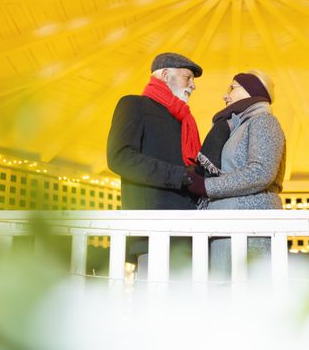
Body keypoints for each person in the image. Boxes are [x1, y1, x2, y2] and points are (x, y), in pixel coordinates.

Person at [107, 52, 204, 272]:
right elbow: (119, 157)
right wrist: (180, 176)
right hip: (152, 231)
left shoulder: (184, 120)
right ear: (165, 74)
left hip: (188, 231)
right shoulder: (134, 105)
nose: (193, 85)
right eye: (187, 77)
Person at [185, 70, 286, 279]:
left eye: (232, 87)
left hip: (250, 225)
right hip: (227, 224)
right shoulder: (236, 127)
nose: (225, 95)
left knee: (249, 293)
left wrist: (205, 186)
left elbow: (261, 172)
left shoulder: (263, 121)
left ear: (252, 91)